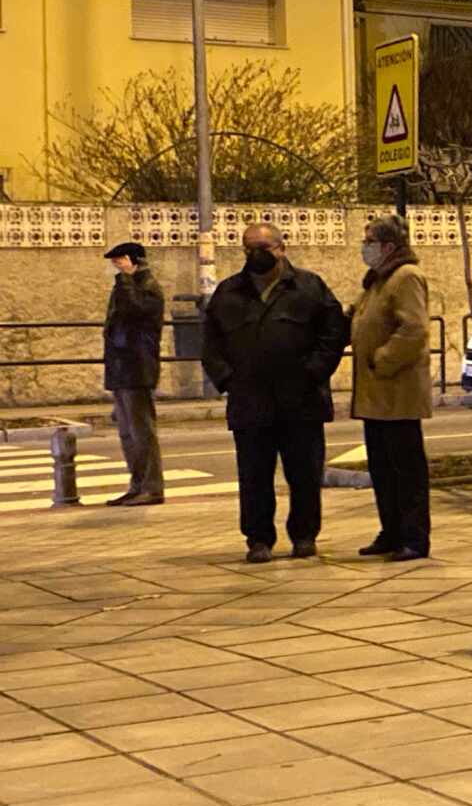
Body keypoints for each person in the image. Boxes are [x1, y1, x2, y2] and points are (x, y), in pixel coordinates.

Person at [202, 223, 348, 564]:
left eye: (264, 246)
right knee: (254, 476)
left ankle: (304, 535)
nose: (256, 253)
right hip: (250, 402)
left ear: (281, 248)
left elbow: (333, 334)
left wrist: (314, 372)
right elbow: (211, 344)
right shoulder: (228, 292)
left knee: (305, 475)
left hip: (302, 401)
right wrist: (228, 380)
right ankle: (258, 539)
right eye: (249, 247)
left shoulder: (309, 287)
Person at [350, 215, 432, 562]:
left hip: (397, 391)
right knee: (382, 469)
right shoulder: (377, 281)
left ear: (387, 246)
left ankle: (413, 536)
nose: (364, 247)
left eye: (369, 241)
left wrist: (382, 360)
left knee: (405, 470)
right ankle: (392, 530)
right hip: (375, 394)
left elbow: (414, 329)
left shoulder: (406, 277)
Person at [101, 241, 166, 507]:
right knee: (128, 432)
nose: (116, 266)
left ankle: (151, 486)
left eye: (120, 260)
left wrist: (126, 281)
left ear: (134, 260)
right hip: (122, 367)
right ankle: (137, 484)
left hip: (138, 367)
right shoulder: (125, 287)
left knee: (142, 431)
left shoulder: (146, 288)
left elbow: (133, 312)